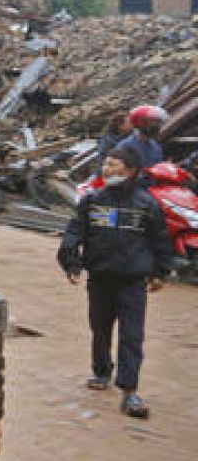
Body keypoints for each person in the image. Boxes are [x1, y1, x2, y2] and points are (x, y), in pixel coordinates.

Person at [58, 147, 177, 419]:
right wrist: (72, 263)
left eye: (113, 165)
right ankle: (101, 371)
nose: (106, 169)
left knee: (131, 336)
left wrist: (160, 272)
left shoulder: (146, 204)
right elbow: (74, 233)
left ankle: (129, 391)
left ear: (131, 170)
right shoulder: (92, 201)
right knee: (99, 329)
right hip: (99, 279)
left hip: (132, 283)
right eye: (106, 164)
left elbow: (160, 240)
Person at [113, 104, 168, 177]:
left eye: (158, 124)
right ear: (141, 124)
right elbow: (117, 175)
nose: (157, 128)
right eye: (154, 124)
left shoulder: (156, 147)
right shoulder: (125, 147)